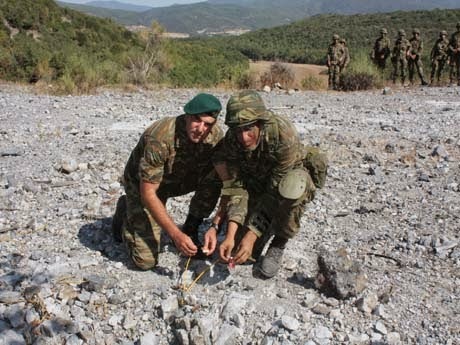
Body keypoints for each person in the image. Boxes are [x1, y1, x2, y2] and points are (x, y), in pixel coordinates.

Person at [210, 90, 327, 278]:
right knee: (244, 254)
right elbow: (236, 187)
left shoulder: (283, 134)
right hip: (258, 181)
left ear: (260, 123)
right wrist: (231, 233)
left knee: (292, 189)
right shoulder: (232, 140)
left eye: (249, 128)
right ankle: (265, 226)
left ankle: (280, 241)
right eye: (238, 130)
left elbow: (274, 192)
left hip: (285, 182)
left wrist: (251, 234)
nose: (244, 137)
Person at [111, 93, 224, 270]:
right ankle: (126, 210)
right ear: (187, 116)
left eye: (208, 124)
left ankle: (191, 228)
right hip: (143, 185)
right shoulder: (161, 137)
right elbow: (148, 192)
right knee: (145, 261)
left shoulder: (215, 137)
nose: (201, 128)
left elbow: (229, 182)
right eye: (197, 120)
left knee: (215, 177)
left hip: (178, 179)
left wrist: (215, 226)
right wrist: (175, 235)